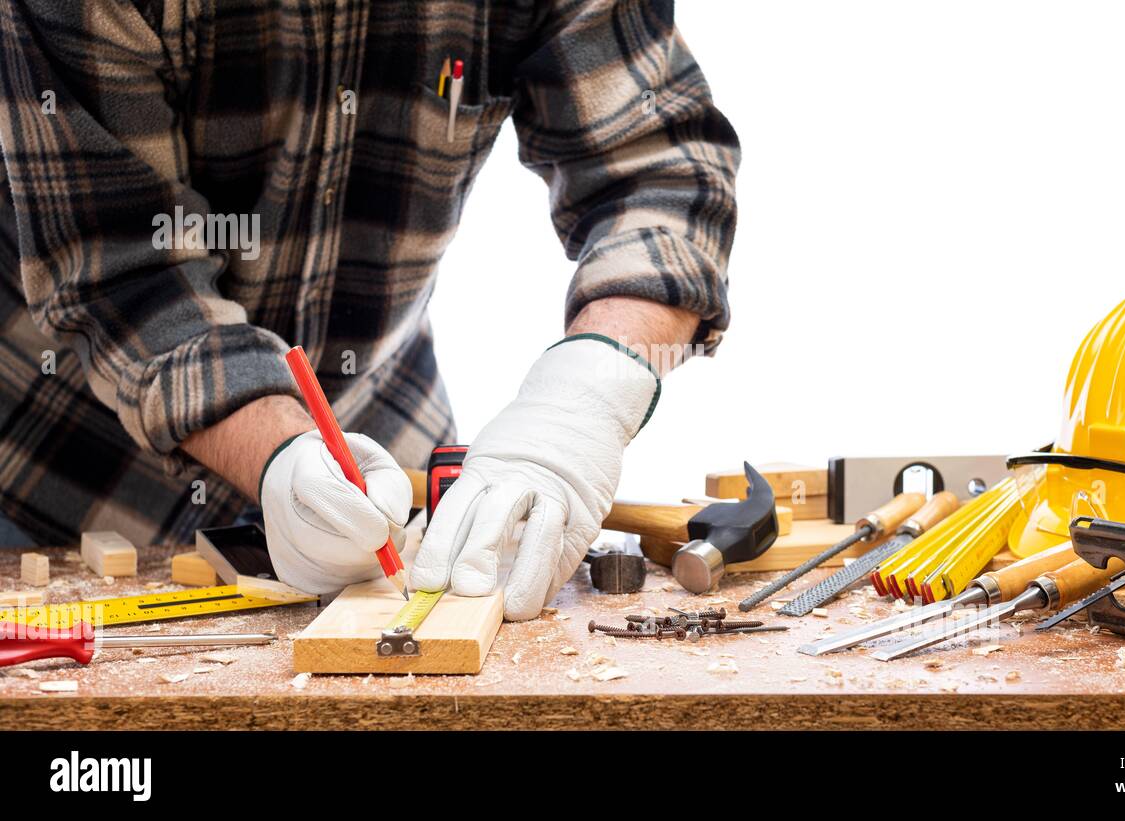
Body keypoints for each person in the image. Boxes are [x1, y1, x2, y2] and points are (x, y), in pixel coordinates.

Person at [0, 0, 738, 620]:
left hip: (381, 446)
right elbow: (122, 264)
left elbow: (660, 171)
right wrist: (276, 450)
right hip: (66, 477)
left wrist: (585, 396)